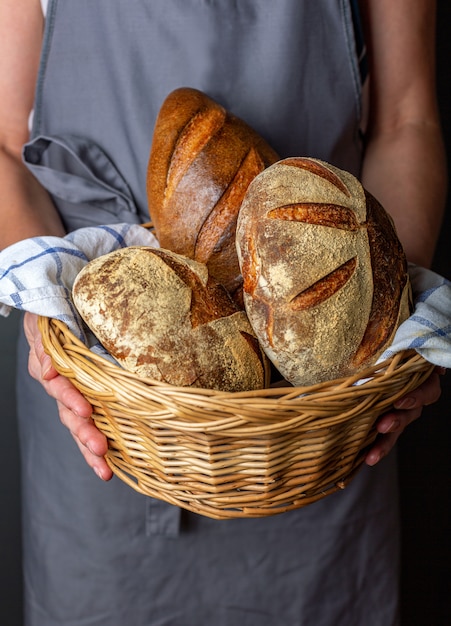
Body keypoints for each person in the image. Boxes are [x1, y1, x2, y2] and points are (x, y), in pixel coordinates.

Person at [0, 1, 446, 624]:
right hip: (103, 406)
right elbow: (5, 141)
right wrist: (47, 305)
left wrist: (388, 307)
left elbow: (407, 119)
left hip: (323, 425)